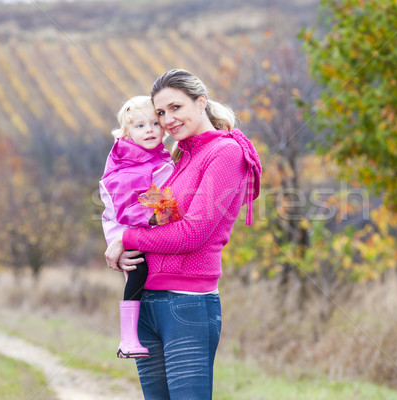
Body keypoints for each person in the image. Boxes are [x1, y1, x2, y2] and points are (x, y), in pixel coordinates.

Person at [104, 69, 261, 399]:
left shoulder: (225, 153)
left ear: (200, 102)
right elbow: (151, 218)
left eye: (176, 107)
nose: (168, 119)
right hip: (147, 301)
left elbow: (193, 233)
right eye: (161, 112)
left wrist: (127, 241)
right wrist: (120, 238)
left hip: (186, 305)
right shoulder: (177, 157)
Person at [99, 95, 174, 359]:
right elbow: (120, 190)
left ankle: (133, 335)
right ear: (127, 133)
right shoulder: (126, 157)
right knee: (137, 269)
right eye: (140, 126)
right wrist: (156, 214)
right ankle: (127, 339)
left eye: (155, 123)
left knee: (137, 270)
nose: (150, 130)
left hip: (129, 224)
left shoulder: (156, 158)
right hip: (121, 224)